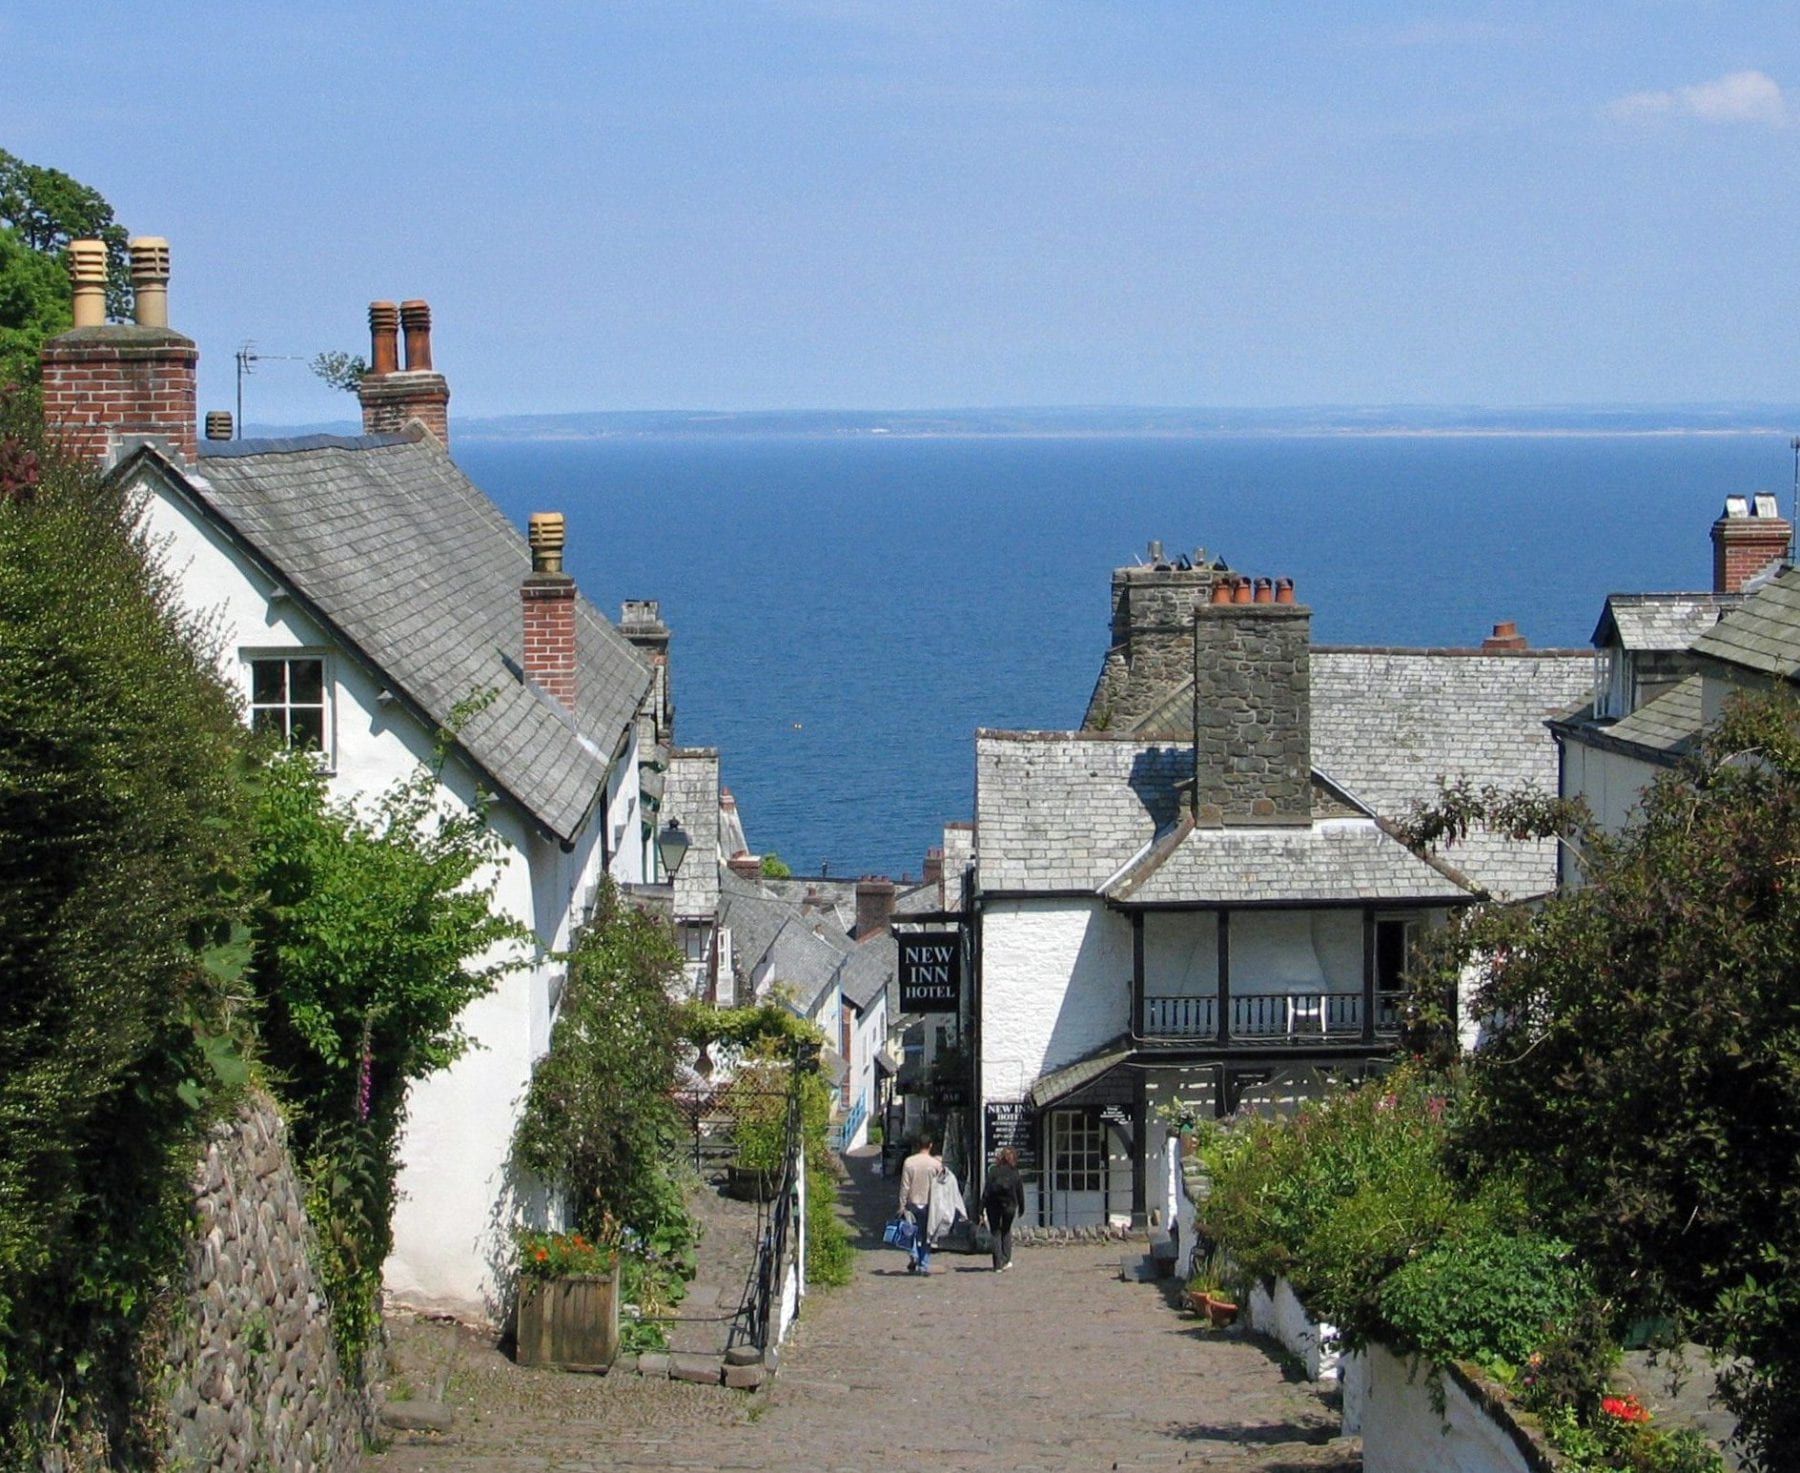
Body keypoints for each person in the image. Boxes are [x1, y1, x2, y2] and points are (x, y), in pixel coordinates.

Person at [897, 1134, 944, 1274]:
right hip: (930, 1203)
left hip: (913, 1202)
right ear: (930, 1145)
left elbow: (904, 1186)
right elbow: (942, 1185)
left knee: (911, 1231)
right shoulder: (935, 1164)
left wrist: (901, 1204)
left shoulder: (909, 1162)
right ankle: (924, 1263)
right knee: (927, 1234)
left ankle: (914, 1255)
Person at [982, 1147, 1026, 1271]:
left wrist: (981, 1208)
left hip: (993, 1205)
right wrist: (1022, 1207)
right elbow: (1019, 1192)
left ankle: (997, 1265)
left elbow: (986, 1192)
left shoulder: (993, 1171)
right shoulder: (1014, 1172)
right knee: (1006, 1231)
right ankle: (1006, 1259)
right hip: (1010, 1206)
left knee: (995, 1232)